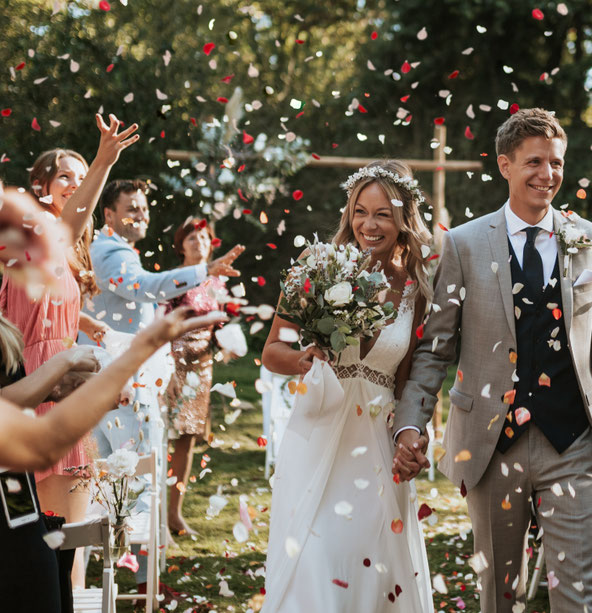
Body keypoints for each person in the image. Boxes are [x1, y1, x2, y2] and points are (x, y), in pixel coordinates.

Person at [392, 108, 592, 612]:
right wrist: (410, 425)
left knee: (581, 594)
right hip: (490, 445)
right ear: (505, 165)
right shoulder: (462, 244)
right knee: (499, 595)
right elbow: (435, 350)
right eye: (534, 162)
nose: (547, 174)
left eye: (556, 163)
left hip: (573, 443)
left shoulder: (589, 239)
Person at [0, 188, 226, 613]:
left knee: (47, 563)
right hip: (10, 509)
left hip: (13, 496)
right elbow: (42, 439)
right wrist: (136, 350)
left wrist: (58, 379)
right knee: (36, 576)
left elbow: (10, 400)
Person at [261, 160, 434, 612]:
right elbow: (272, 350)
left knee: (369, 560)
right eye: (360, 211)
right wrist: (303, 359)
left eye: (382, 214)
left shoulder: (414, 290)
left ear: (403, 218)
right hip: (320, 430)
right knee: (314, 555)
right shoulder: (317, 264)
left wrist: (414, 436)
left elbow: (408, 381)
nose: (369, 225)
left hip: (375, 442)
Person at [1, 115, 138, 587]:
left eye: (82, 180)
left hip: (61, 398)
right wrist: (104, 160)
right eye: (66, 176)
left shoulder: (67, 255)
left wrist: (83, 329)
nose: (76, 188)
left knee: (63, 546)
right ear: (38, 186)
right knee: (21, 539)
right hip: (19, 401)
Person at [165, 217, 242, 536]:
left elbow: (220, 326)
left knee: (186, 441)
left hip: (202, 366)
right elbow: (160, 318)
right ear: (181, 245)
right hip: (172, 362)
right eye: (192, 238)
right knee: (159, 440)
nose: (199, 243)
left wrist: (227, 346)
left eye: (204, 238)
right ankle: (149, 515)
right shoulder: (173, 279)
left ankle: (174, 514)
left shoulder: (218, 284)